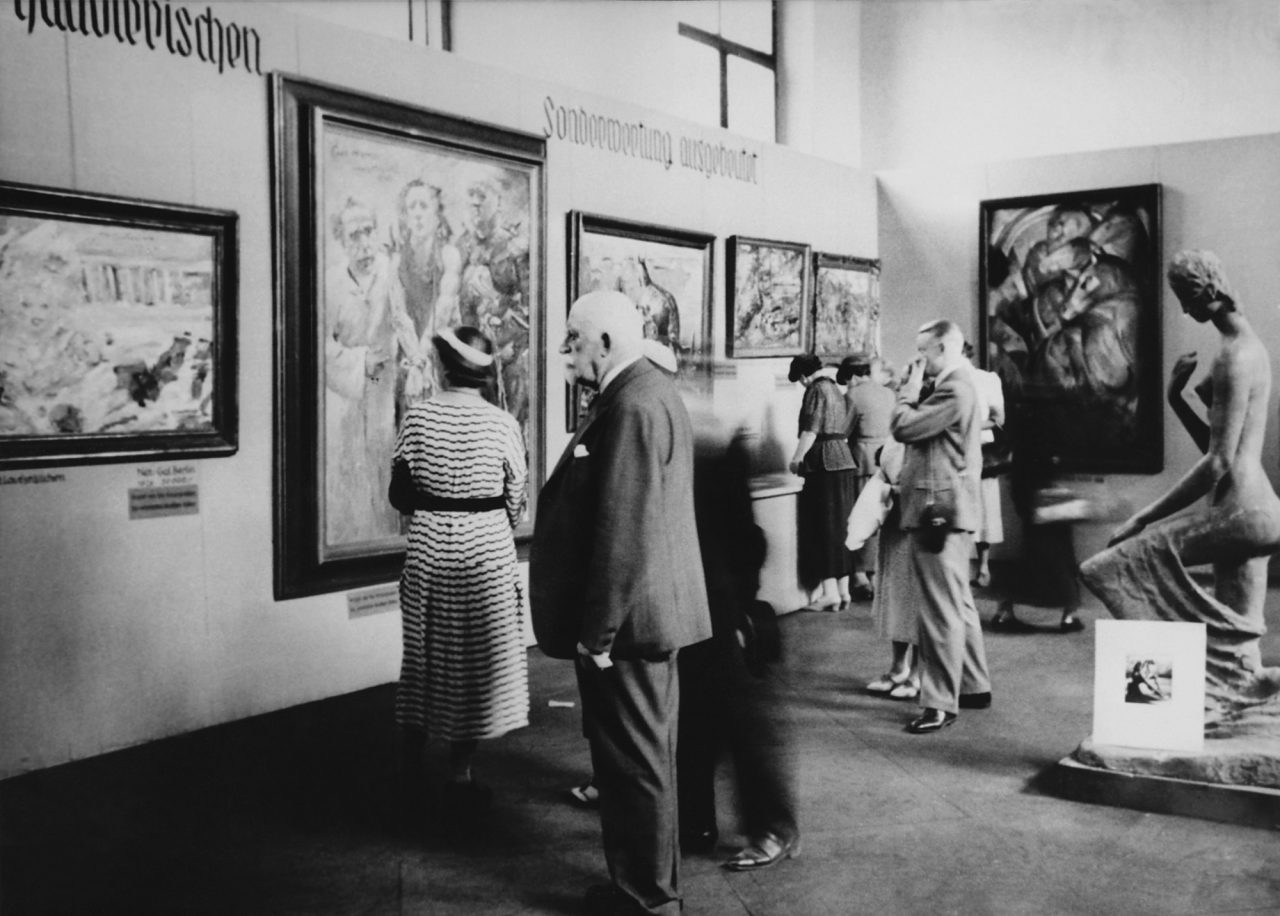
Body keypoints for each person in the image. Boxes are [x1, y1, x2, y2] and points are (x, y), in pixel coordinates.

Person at [529, 290, 712, 916]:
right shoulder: (644, 393)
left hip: (630, 624)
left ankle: (649, 901)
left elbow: (624, 529)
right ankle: (643, 890)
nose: (565, 351)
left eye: (573, 339)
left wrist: (597, 634)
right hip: (647, 615)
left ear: (605, 344)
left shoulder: (631, 404)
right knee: (641, 760)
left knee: (635, 765)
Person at [1080, 250, 1280, 723]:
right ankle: (1216, 711)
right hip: (1253, 507)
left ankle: (1157, 707)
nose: (1186, 308)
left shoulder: (1235, 356)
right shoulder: (1246, 347)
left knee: (1113, 569)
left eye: (1189, 296)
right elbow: (1219, 450)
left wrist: (1144, 516)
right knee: (1241, 653)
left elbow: (1217, 464)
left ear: (1212, 288)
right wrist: (1176, 398)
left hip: (1243, 512)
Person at [388, 325, 529, 811]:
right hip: (486, 547)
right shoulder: (503, 424)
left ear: (444, 366)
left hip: (430, 542)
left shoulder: (418, 418)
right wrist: (493, 519)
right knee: (473, 660)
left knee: (424, 654)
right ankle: (460, 773)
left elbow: (399, 491)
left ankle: (407, 765)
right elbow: (515, 499)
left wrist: (433, 509)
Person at [674, 375, 800, 872]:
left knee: (734, 716)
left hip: (716, 602)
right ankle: (698, 822)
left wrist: (743, 603)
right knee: (698, 715)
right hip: (700, 600)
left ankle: (773, 826)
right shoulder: (710, 452)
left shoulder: (715, 456)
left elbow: (746, 540)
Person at [890, 320, 993, 734]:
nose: (918, 362)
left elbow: (903, 426)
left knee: (938, 612)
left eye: (923, 353)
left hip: (939, 511)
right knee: (958, 604)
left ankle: (938, 703)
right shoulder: (960, 385)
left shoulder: (954, 388)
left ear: (945, 349)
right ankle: (973, 684)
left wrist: (905, 393)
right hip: (950, 509)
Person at [325, 196, 401, 547]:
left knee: (383, 462)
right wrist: (358, 361)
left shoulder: (391, 272)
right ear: (341, 240)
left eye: (369, 231)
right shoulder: (330, 285)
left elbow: (407, 322)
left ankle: (386, 546)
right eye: (354, 235)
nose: (364, 241)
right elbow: (319, 345)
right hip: (347, 393)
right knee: (349, 466)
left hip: (385, 388)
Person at [989, 394, 1085, 633]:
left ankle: (1006, 610)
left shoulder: (1023, 433)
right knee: (1058, 557)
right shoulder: (1055, 429)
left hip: (1029, 497)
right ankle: (1068, 615)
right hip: (1047, 500)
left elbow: (1015, 467)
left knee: (1034, 556)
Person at [849, 438, 921, 701]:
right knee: (896, 597)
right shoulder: (896, 438)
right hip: (894, 525)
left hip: (920, 525)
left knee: (918, 601)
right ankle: (898, 666)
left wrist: (896, 489)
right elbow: (886, 466)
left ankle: (917, 672)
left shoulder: (932, 435)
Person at [388, 179, 462, 423]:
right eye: (412, 207)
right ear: (405, 216)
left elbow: (441, 314)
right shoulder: (397, 262)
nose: (418, 214)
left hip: (441, 352)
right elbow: (400, 316)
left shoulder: (449, 255)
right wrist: (416, 363)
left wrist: (423, 359)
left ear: (437, 215)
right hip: (410, 355)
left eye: (424, 206)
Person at [788, 353, 857, 610]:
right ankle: (844, 590)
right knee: (842, 526)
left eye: (800, 380)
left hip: (823, 462)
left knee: (824, 526)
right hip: (844, 459)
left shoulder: (816, 390)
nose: (802, 384)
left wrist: (796, 458)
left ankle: (829, 594)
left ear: (805, 376)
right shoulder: (836, 389)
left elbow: (811, 430)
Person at [837, 354, 895, 600]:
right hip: (889, 460)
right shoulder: (888, 393)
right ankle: (879, 575)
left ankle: (860, 575)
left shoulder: (853, 396)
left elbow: (841, 431)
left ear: (852, 375)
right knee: (884, 519)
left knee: (862, 518)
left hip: (862, 460)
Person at [962, 341, 1006, 588]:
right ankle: (964, 566)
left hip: (981, 450)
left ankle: (984, 566)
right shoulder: (943, 382)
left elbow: (999, 419)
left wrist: (968, 427)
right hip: (955, 450)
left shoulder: (987, 379)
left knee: (984, 508)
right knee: (958, 506)